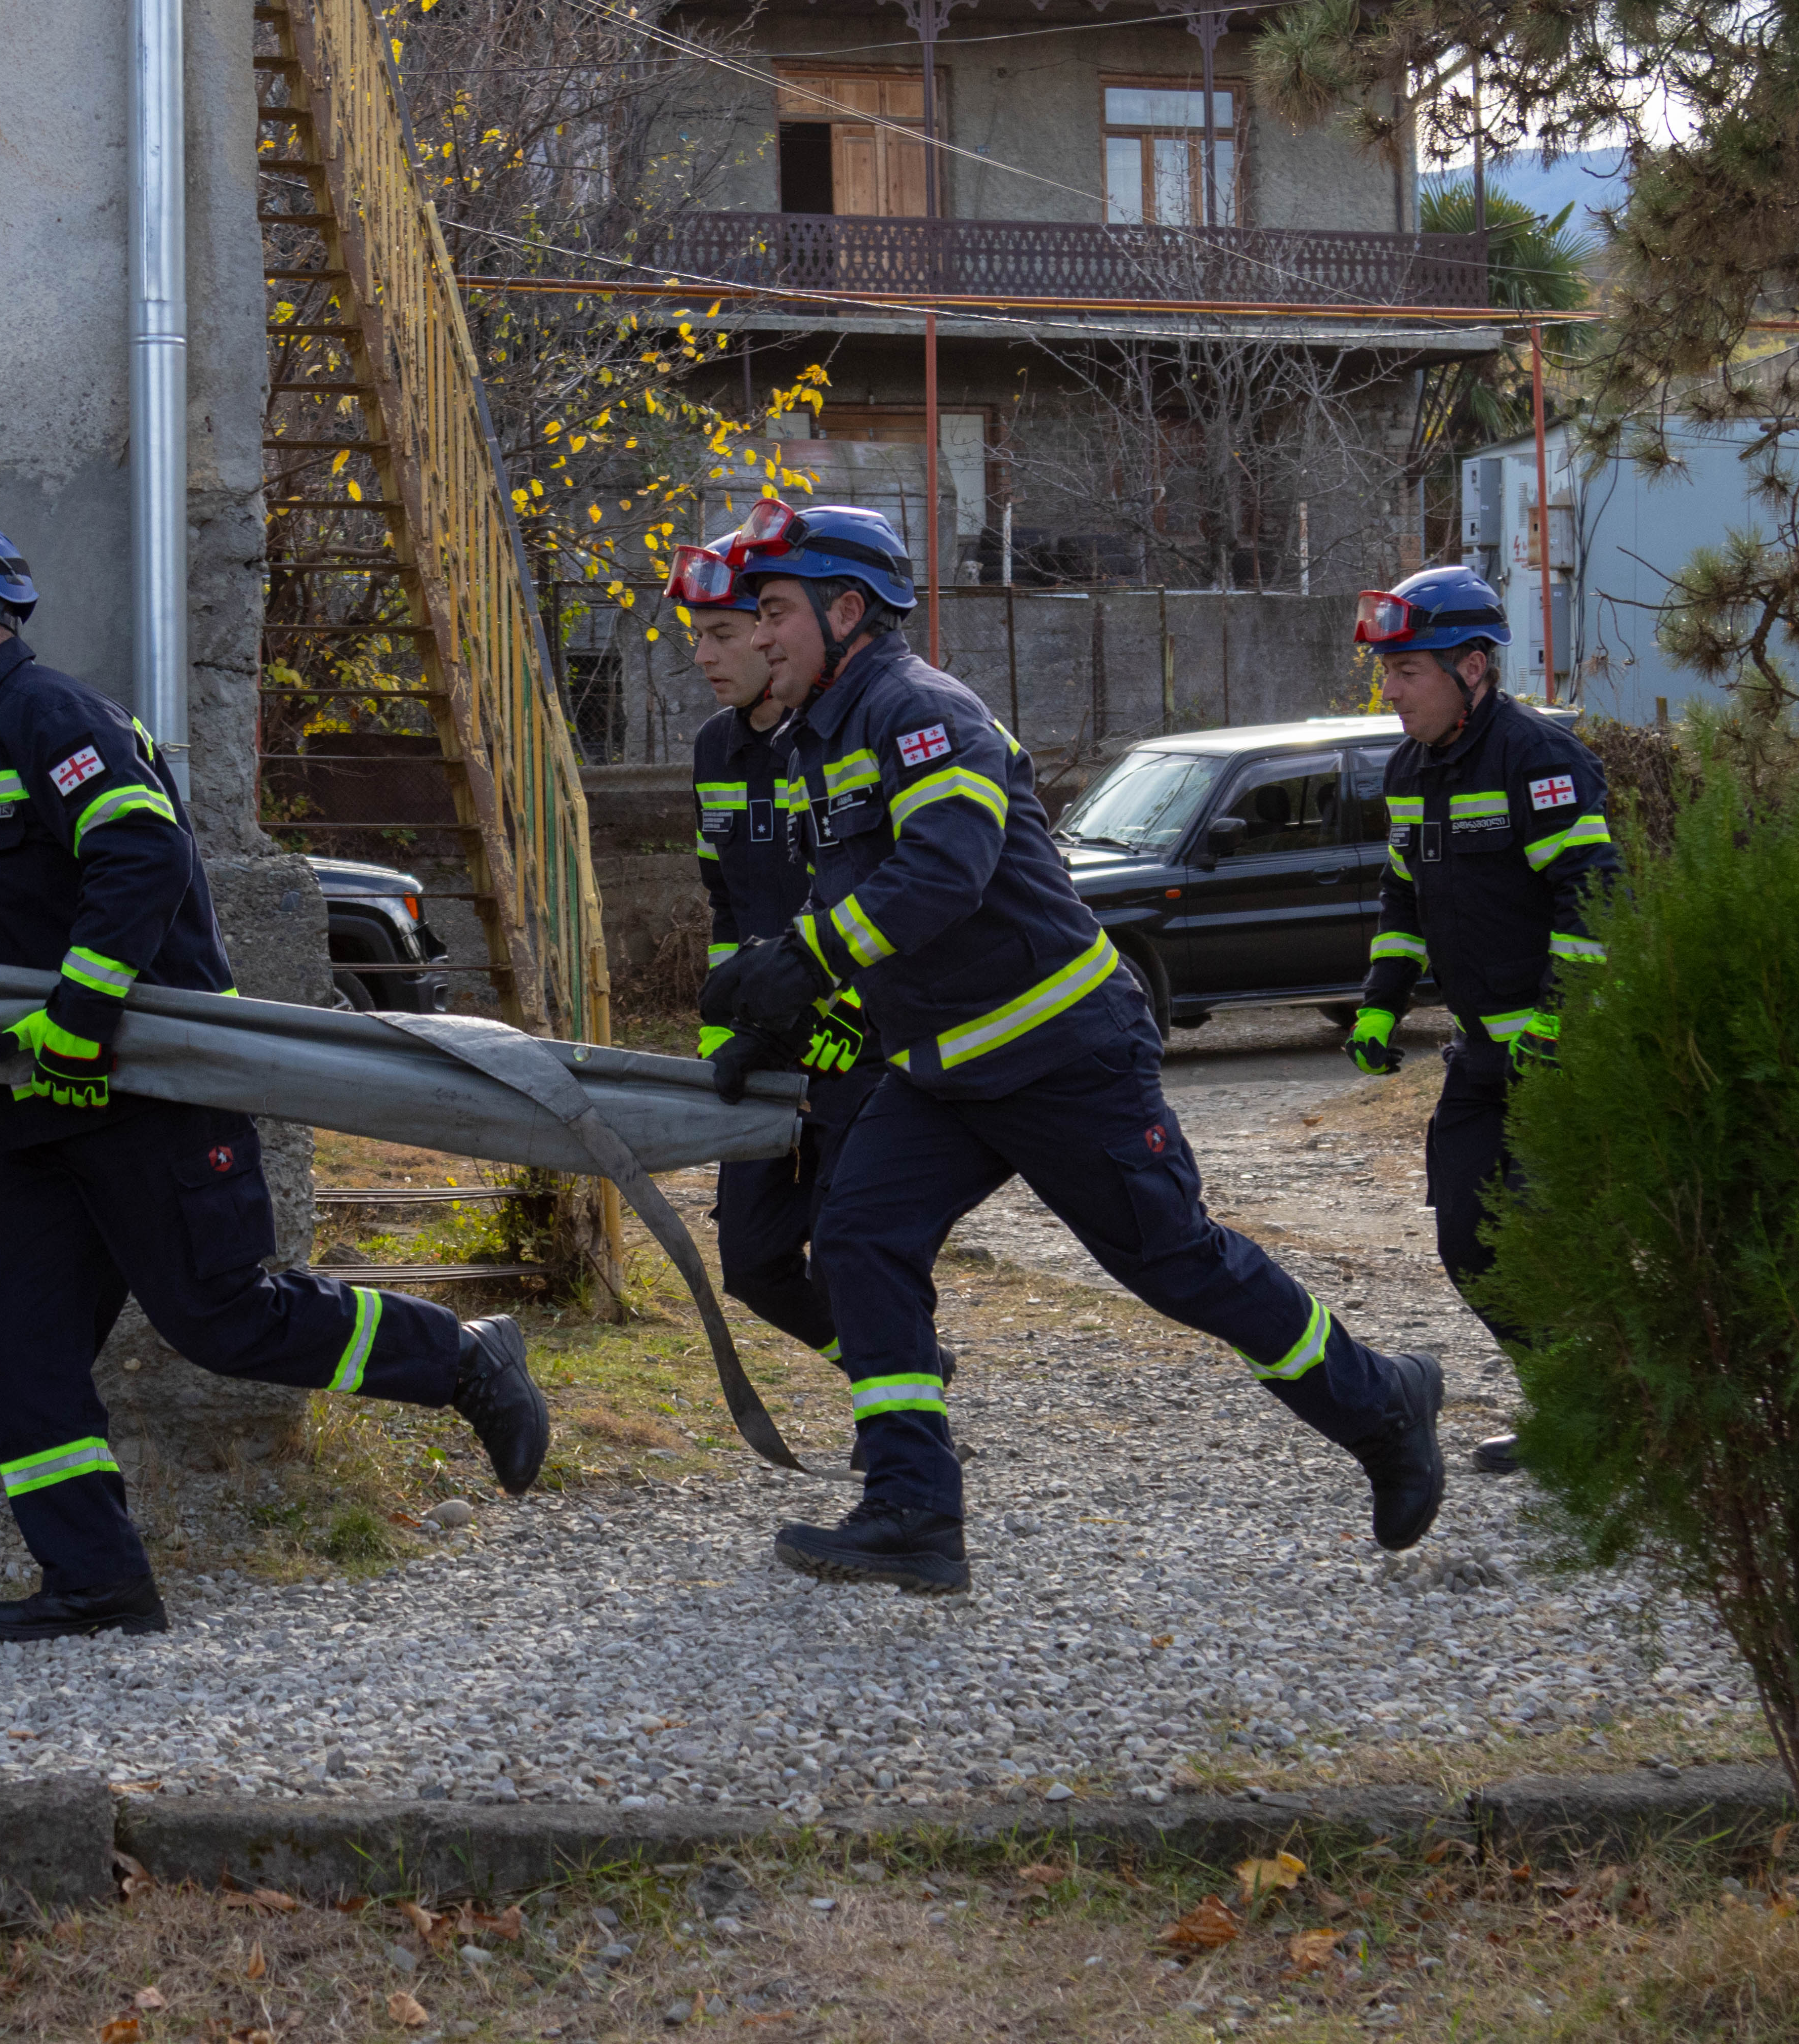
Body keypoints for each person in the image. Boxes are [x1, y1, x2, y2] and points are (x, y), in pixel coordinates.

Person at [695, 502, 1446, 1594]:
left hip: (1061, 1057)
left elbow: (944, 872)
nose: (761, 636)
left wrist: (807, 958)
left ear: (846, 610)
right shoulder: (826, 732)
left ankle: (1382, 1405)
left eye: (773, 612)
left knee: (1177, 1265)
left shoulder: (920, 710)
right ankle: (913, 1508)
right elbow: (857, 898)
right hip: (945, 1069)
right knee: (857, 1240)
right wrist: (775, 1017)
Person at [0, 522, 549, 1639]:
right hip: (44, 1120)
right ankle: (98, 1581)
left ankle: (464, 1359)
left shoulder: (51, 716)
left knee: (224, 1320)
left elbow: (143, 859)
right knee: (23, 1348)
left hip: (151, 1097)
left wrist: (78, 1019)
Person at [1342, 565, 1621, 1474]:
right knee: (1468, 1238)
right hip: (1480, 1058)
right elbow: (1403, 895)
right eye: (1387, 674)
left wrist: (1558, 1021)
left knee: (1551, 1238)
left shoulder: (1539, 759)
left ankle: (1613, 1413)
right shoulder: (1409, 770)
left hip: (1563, 1057)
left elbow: (1593, 898)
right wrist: (1380, 1007)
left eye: (1406, 673)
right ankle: (1571, 1403)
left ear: (1472, 668)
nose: (1391, 693)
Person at [666, 534, 892, 1372]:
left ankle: (899, 1403)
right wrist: (726, 1036)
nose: (708, 656)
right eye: (701, 637)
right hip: (766, 1045)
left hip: (859, 1043)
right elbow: (727, 905)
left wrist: (837, 1018)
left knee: (852, 1249)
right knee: (754, 1265)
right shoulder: (713, 750)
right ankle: (893, 1367)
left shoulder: (836, 737)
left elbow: (879, 899)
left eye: (726, 633)